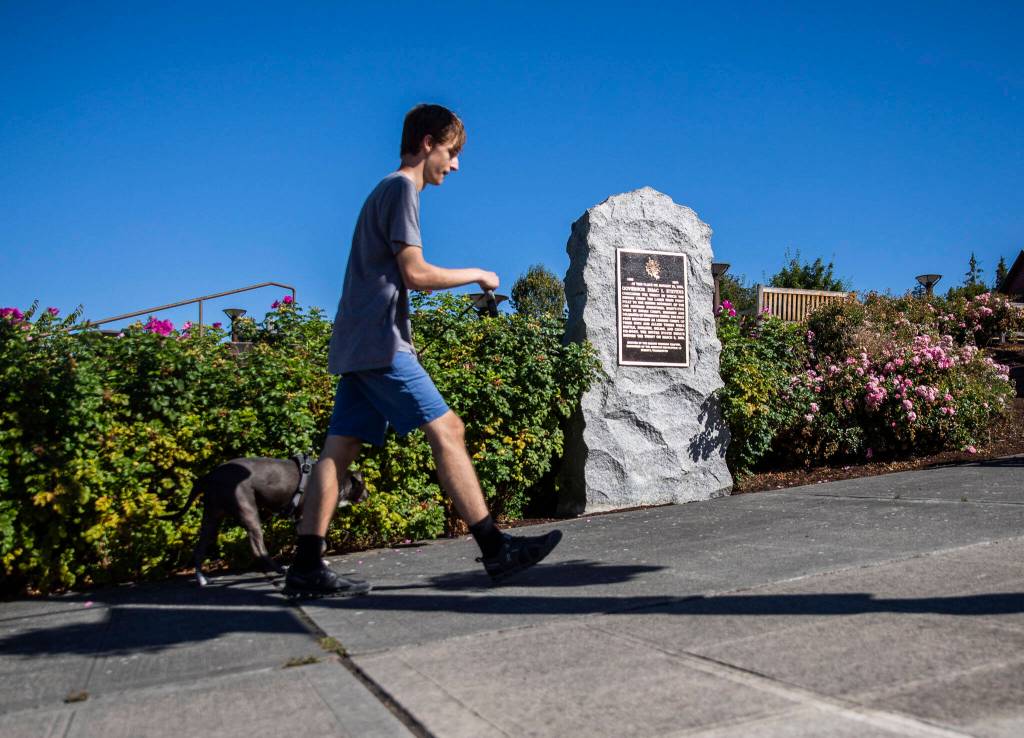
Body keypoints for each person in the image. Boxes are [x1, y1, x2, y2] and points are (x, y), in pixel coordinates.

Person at [284, 104, 562, 597]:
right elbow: (416, 273)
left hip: (357, 343)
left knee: (337, 452)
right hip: (381, 344)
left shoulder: (383, 191)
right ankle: (497, 550)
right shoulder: (400, 189)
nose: (454, 165)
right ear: (429, 142)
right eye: (452, 153)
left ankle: (306, 566)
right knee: (448, 428)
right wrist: (478, 274)